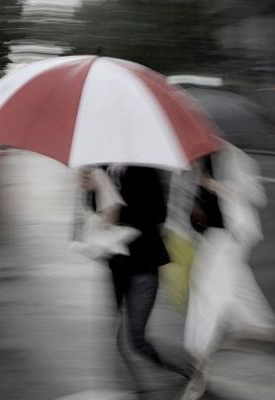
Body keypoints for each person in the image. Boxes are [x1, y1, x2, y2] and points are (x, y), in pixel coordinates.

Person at [180, 142, 275, 400]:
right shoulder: (198, 159)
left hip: (234, 234)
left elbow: (257, 195)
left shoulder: (234, 156)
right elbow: (198, 198)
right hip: (211, 234)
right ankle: (260, 325)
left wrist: (217, 186)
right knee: (233, 283)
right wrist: (196, 199)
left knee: (208, 287)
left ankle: (201, 352)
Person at [80, 165, 188, 397]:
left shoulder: (145, 171)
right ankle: (141, 388)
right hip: (117, 265)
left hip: (143, 264)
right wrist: (89, 188)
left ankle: (181, 367)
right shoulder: (101, 168)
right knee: (122, 336)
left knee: (135, 336)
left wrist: (116, 212)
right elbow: (93, 209)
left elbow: (157, 215)